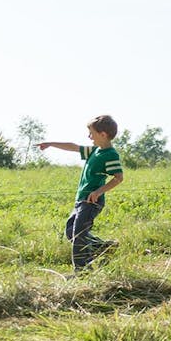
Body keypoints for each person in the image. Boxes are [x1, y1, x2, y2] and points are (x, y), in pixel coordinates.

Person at [38, 115, 126, 269]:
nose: (89, 136)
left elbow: (118, 178)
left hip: (92, 201)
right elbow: (73, 146)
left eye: (91, 133)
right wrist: (50, 144)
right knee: (71, 231)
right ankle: (103, 247)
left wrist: (98, 191)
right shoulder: (94, 151)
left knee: (79, 234)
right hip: (81, 200)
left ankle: (82, 271)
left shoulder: (110, 154)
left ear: (103, 134)